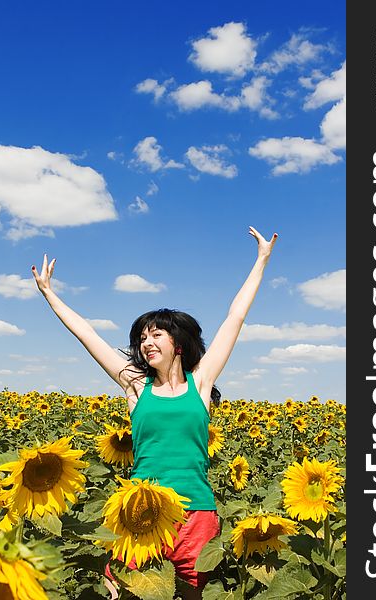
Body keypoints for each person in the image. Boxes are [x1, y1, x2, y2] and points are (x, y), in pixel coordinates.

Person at [32, 226, 277, 599]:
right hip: (139, 512)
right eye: (142, 338)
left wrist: (261, 260)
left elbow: (235, 318)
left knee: (192, 593)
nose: (146, 343)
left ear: (178, 343)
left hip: (196, 511)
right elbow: (88, 336)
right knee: (126, 592)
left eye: (155, 335)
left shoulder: (201, 384)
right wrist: (50, 294)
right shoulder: (135, 386)